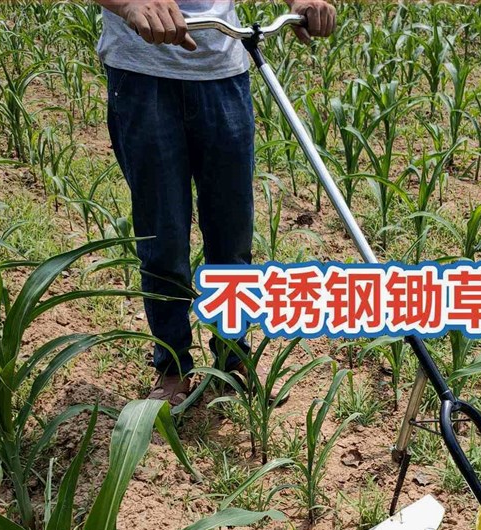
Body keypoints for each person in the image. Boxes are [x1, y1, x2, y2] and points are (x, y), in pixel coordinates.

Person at [94, 0, 337, 406]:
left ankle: (232, 355)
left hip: (223, 73)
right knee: (163, 239)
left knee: (231, 236)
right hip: (141, 74)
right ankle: (172, 365)